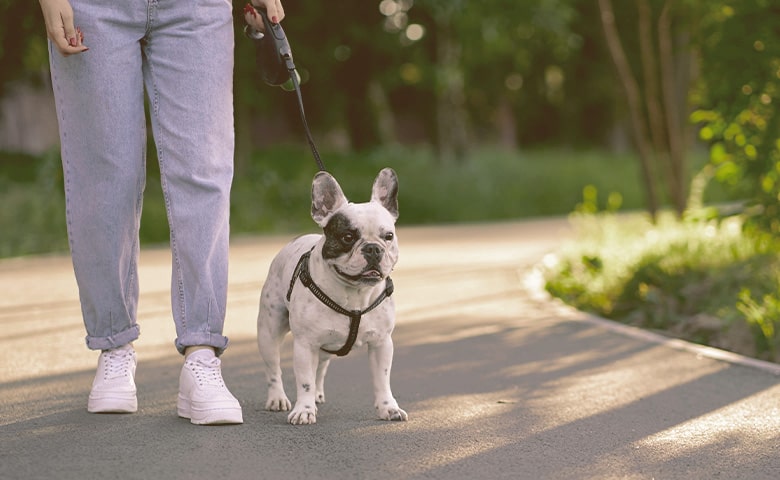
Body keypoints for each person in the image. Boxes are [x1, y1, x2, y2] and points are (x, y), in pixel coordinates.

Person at [38, 0, 285, 425]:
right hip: (93, 8)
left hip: (196, 8)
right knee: (104, 175)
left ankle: (202, 355)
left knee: (203, 170)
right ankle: (114, 346)